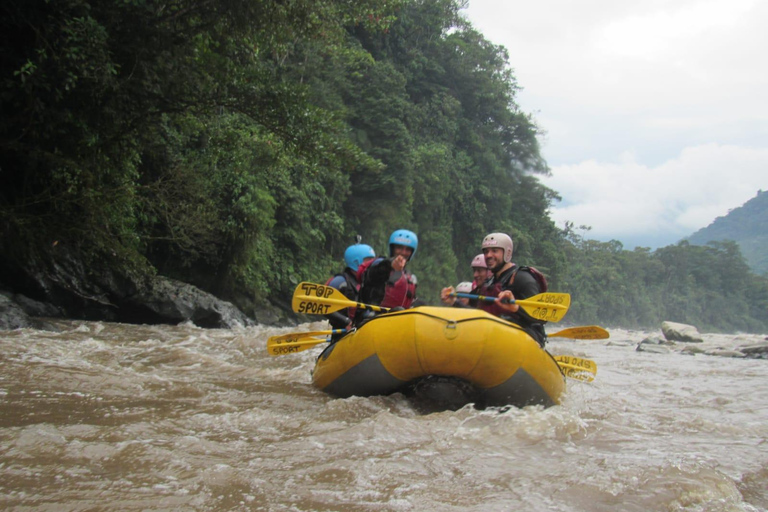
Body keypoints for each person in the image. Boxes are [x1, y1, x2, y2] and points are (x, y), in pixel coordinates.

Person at [441, 232, 547, 345]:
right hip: (495, 341)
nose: (488, 255)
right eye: (486, 251)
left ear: (507, 253)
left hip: (525, 341)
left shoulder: (522, 278)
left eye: (494, 251)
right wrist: (454, 302)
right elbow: (476, 315)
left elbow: (541, 318)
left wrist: (516, 308)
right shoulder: (489, 283)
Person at [355, 229, 419, 324]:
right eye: (399, 248)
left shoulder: (410, 278)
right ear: (392, 249)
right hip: (370, 321)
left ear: (411, 253)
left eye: (407, 249)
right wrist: (390, 265)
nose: (403, 252)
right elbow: (372, 274)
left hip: (397, 323)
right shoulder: (379, 264)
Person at [325, 242, 375, 336]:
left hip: (360, 331)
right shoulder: (340, 282)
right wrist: (345, 321)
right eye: (368, 261)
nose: (372, 265)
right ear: (356, 262)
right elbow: (324, 306)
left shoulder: (366, 283)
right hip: (341, 333)